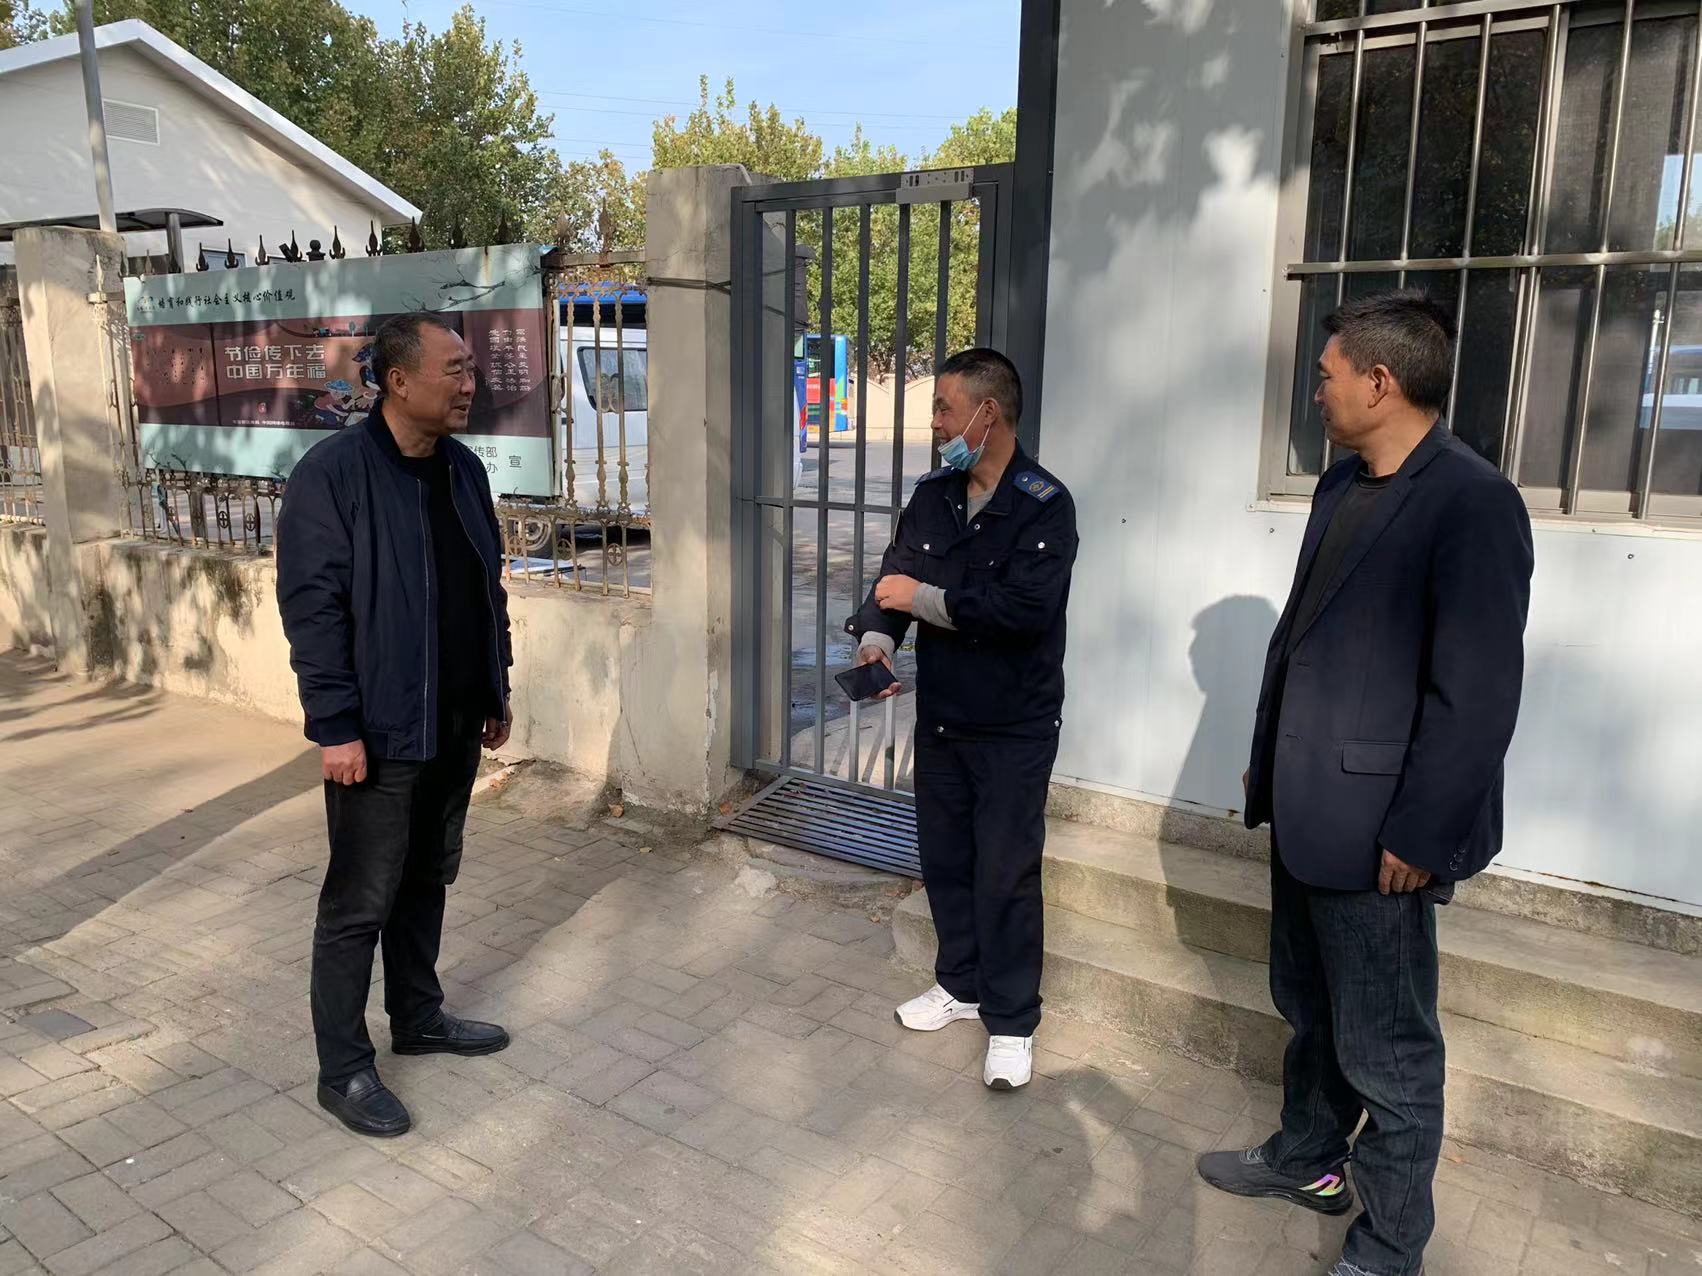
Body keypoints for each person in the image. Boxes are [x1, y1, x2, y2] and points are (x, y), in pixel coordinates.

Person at [1197, 291, 1533, 1276]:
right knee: (1308, 1005)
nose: (1317, 393)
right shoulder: (1341, 485)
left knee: (1388, 1052)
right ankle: (1308, 1157)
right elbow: (1303, 639)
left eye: (1327, 375)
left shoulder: (1471, 502)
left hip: (1383, 833)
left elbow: (1475, 696)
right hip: (1306, 807)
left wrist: (1421, 835)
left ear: (1379, 383)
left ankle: (1388, 1247)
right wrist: (1268, 756)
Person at [277, 312, 515, 1138]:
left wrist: (495, 685)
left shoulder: (463, 470)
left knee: (426, 878)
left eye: (472, 369)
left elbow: (487, 586)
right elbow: (313, 610)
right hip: (377, 730)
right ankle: (343, 1069)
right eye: (455, 369)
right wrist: (335, 726)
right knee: (359, 900)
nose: (470, 383)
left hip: (452, 720)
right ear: (399, 380)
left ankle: (417, 1016)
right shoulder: (334, 475)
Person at [845, 347, 1078, 1090]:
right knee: (946, 859)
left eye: (944, 408)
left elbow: (1021, 612)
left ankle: (1011, 1022)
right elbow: (894, 578)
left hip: (1013, 725)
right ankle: (960, 985)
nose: (936, 423)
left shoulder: (1045, 505)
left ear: (989, 412)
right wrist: (879, 641)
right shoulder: (935, 495)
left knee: (1005, 873)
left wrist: (922, 600)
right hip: (944, 717)